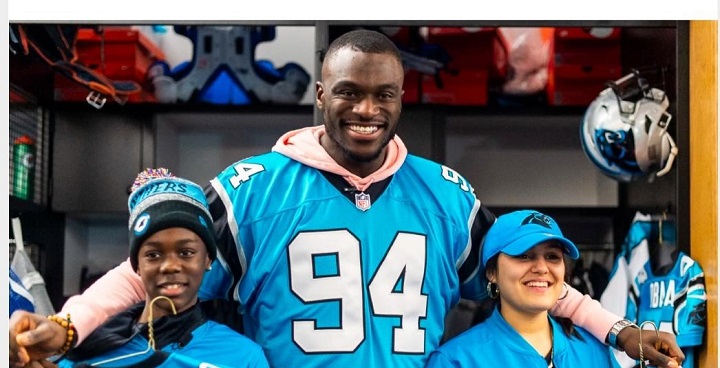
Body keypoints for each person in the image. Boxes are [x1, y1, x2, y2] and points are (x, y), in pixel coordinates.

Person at [10, 29, 684, 368]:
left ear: (399, 99)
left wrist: (619, 331)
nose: (367, 110)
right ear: (320, 96)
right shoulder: (251, 191)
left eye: (383, 95)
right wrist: (67, 327)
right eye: (350, 93)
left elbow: (533, 275)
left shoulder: (446, 195)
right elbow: (148, 270)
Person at [9, 168, 269, 368]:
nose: (170, 266)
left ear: (208, 259)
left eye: (186, 252)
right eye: (154, 254)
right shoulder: (87, 351)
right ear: (135, 264)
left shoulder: (242, 357)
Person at [426, 210, 623, 367]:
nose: (541, 268)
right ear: (491, 272)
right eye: (523, 255)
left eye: (552, 256)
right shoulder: (456, 360)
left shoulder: (594, 351)